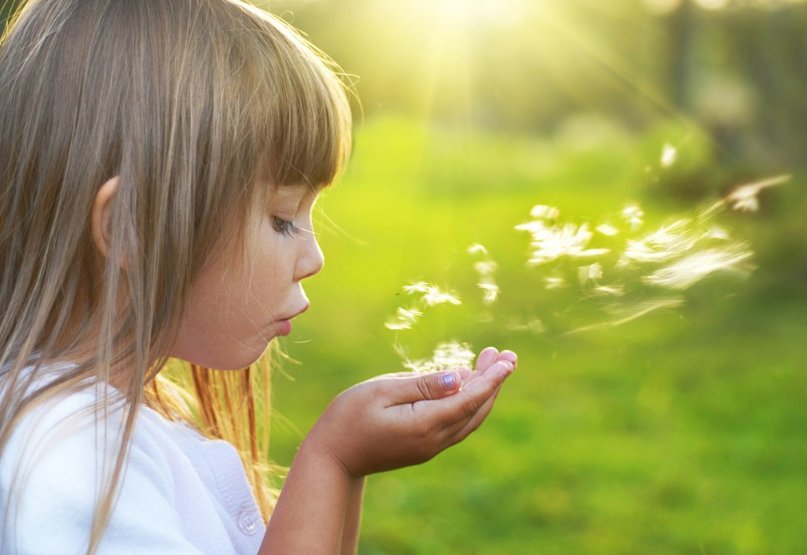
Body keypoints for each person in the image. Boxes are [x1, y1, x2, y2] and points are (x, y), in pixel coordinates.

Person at [0, 1, 518, 554]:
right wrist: (333, 460)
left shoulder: (99, 427)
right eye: (281, 219)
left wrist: (346, 471)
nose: (314, 256)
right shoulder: (73, 463)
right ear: (134, 227)